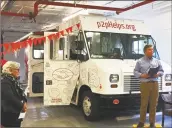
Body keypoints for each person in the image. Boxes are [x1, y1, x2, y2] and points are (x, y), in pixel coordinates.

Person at [134, 44, 164, 128]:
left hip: (155, 84)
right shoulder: (140, 61)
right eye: (149, 50)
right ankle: (141, 122)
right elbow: (135, 72)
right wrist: (142, 75)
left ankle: (152, 123)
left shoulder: (157, 61)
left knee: (154, 104)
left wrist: (157, 74)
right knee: (144, 104)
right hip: (145, 84)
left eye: (152, 50)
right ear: (145, 51)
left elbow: (162, 71)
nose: (152, 51)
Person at [1, 61, 27, 127]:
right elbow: (9, 97)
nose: (19, 71)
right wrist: (22, 106)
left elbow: (20, 93)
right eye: (17, 69)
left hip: (15, 114)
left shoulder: (13, 80)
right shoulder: (5, 81)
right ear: (10, 70)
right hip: (9, 115)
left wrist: (24, 102)